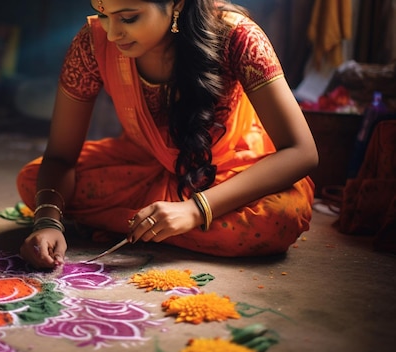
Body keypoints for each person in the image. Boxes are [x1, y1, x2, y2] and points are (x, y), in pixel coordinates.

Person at [17, 0, 319, 268]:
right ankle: (158, 226)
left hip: (224, 171)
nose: (111, 33)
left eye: (129, 17)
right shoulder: (92, 44)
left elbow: (301, 152)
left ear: (176, 4)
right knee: (34, 182)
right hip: (142, 166)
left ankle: (138, 224)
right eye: (104, 14)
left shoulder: (239, 37)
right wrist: (47, 222)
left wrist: (194, 210)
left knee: (281, 215)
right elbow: (60, 156)